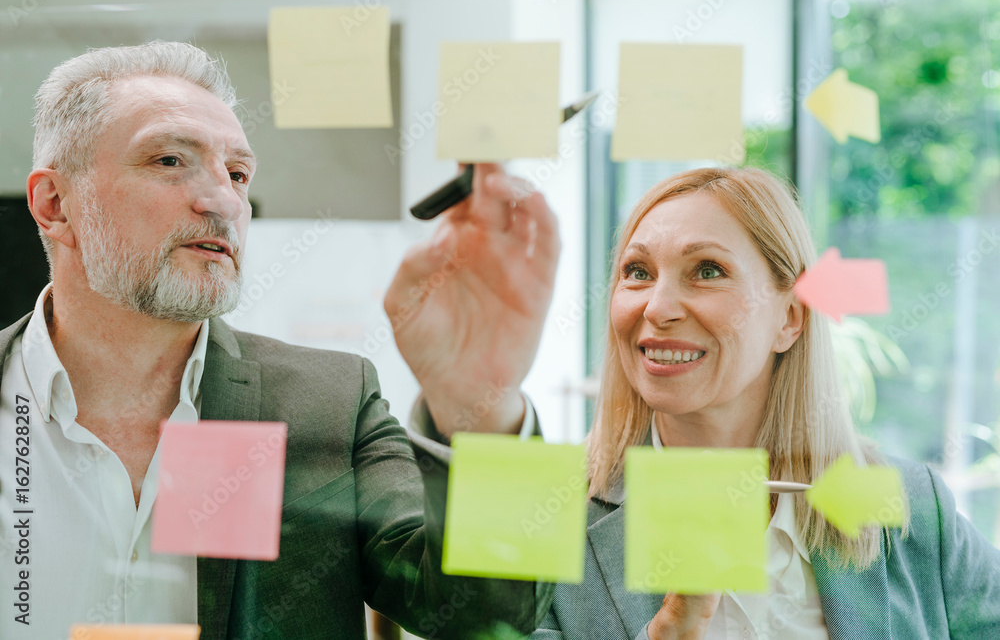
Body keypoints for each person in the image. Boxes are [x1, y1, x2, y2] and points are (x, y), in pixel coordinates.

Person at [0, 41, 560, 639]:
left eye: (238, 174)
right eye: (169, 160)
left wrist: (486, 413)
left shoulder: (329, 402)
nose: (225, 201)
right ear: (55, 205)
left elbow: (492, 615)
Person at [531, 167, 1000, 639]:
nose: (657, 307)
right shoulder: (546, 519)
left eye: (707, 271)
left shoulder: (913, 504)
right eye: (638, 272)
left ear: (790, 318)